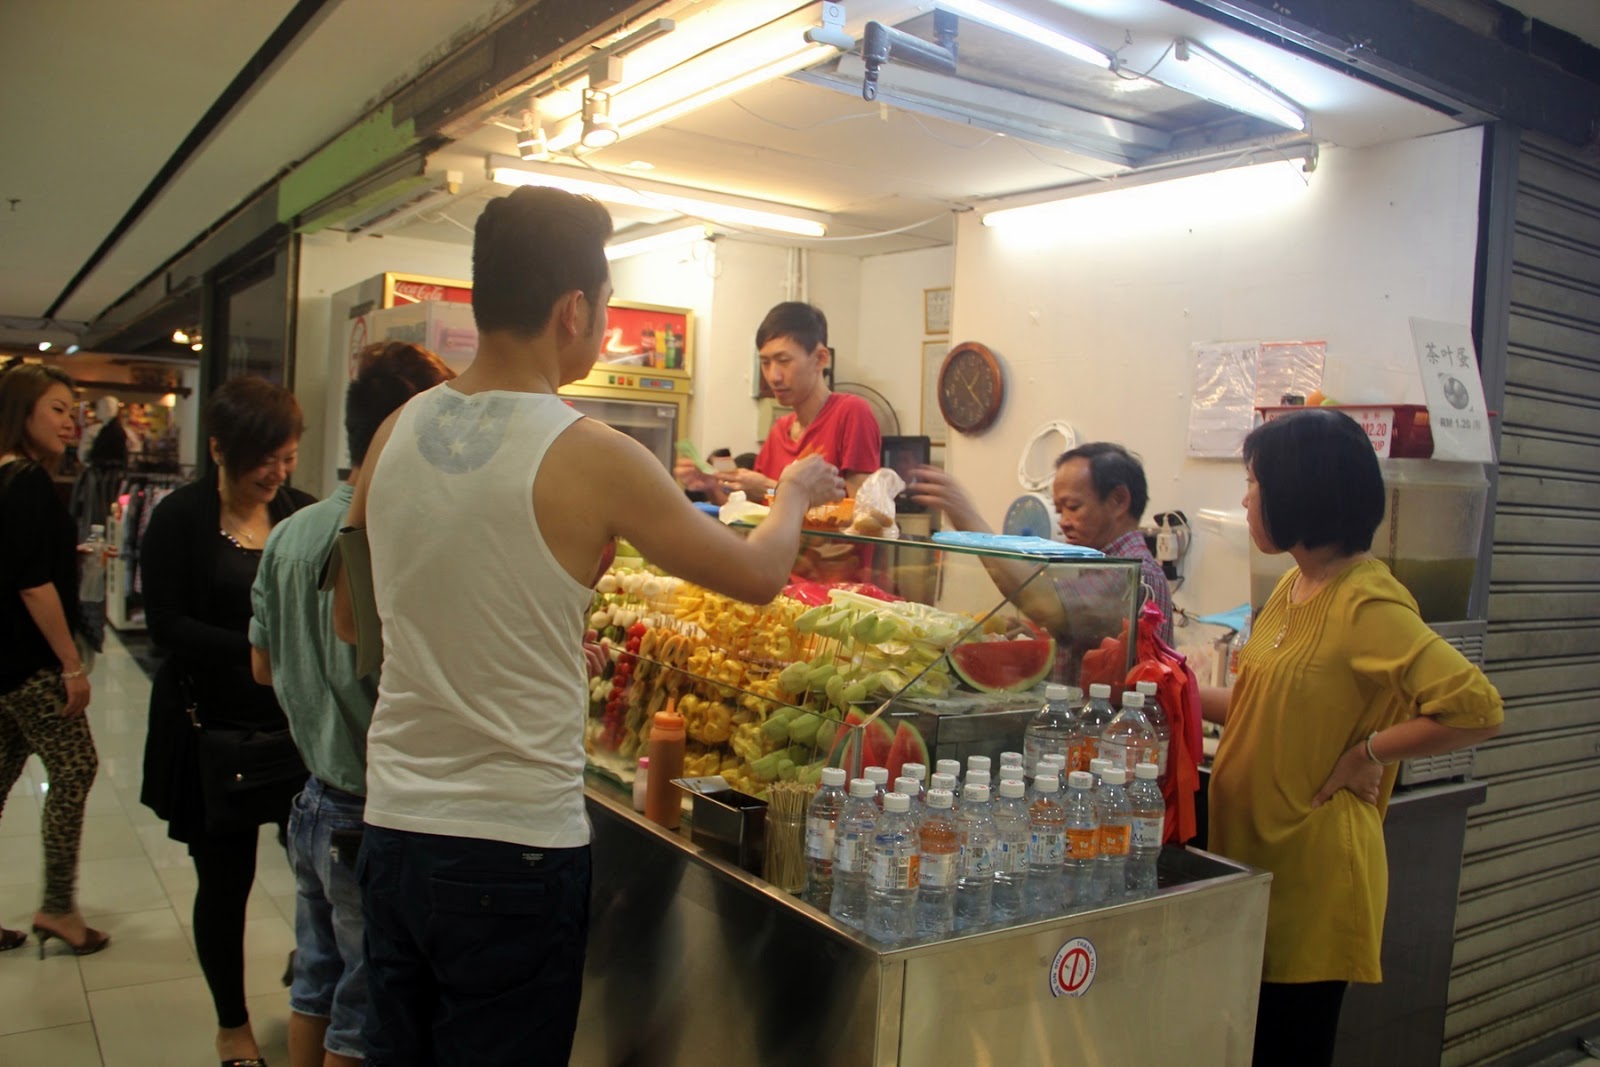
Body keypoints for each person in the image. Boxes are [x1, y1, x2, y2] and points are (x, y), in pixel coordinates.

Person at [336, 185, 844, 1067]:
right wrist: (794, 491)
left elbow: (354, 620)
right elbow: (760, 575)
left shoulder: (393, 434)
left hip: (395, 827)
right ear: (574, 309)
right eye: (605, 305)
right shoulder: (595, 454)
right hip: (513, 850)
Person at [1202, 408, 1502, 1067]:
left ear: (1298, 491)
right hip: (1254, 859)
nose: (1246, 499)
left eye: (1253, 482)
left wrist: (1369, 753)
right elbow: (1258, 705)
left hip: (1313, 876)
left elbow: (1477, 708)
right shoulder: (1293, 585)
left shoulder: (1368, 603)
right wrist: (1166, 687)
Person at [248, 344, 453, 1067]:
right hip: (372, 817)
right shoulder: (396, 540)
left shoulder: (290, 530)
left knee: (315, 981)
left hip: (310, 801)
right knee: (363, 1014)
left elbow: (262, 666)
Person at [139, 376, 314, 1067]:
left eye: (286, 457)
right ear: (218, 449)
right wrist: (257, 648)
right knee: (225, 882)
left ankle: (313, 974)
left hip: (292, 727)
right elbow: (166, 624)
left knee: (319, 871)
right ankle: (232, 1024)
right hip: (212, 729)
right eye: (261, 460)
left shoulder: (298, 513)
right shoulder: (180, 518)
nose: (276, 474)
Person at [0, 364, 108, 958]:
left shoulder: (8, 476)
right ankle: (59, 907)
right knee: (75, 768)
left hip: (6, 661)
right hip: (29, 662)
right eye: (57, 410)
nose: (70, 423)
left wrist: (73, 552)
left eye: (73, 411)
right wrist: (70, 664)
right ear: (23, 414)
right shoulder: (28, 482)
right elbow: (31, 583)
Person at [909, 441, 1175, 644]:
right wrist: (1039, 638)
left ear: (1119, 500)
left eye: (1073, 507)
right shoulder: (1098, 562)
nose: (1063, 522)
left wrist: (970, 522)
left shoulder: (1136, 572)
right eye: (1060, 511)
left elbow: (1050, 606)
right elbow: (1086, 634)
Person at [675, 301, 880, 504]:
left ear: (820, 359)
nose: (773, 376)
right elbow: (753, 512)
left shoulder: (852, 412)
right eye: (765, 363)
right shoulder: (779, 430)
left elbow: (864, 513)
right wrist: (711, 487)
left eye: (783, 361)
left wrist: (771, 488)